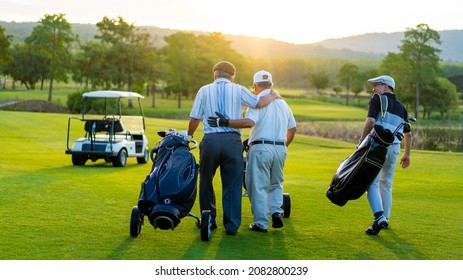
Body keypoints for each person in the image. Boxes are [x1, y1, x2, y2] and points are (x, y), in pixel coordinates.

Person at [188, 61, 279, 236]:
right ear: (232, 76)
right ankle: (231, 226)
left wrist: (189, 137)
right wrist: (273, 95)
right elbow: (259, 103)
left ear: (215, 74)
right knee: (232, 184)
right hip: (232, 142)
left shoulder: (204, 90)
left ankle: (209, 220)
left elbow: (195, 118)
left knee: (206, 180)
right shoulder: (238, 89)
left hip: (211, 141)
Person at [208, 70, 296, 233]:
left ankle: (261, 224)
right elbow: (292, 128)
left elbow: (249, 122)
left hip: (260, 149)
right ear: (271, 84)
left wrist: (225, 122)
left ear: (255, 86)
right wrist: (284, 146)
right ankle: (276, 211)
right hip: (281, 148)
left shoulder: (257, 102)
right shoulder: (283, 103)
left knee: (257, 187)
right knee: (276, 183)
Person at [360, 75, 412, 235]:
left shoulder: (377, 99)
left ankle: (379, 217)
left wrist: (361, 143)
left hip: (377, 147)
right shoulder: (402, 108)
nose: (373, 89)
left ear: (385, 86)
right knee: (386, 183)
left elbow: (370, 122)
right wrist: (407, 154)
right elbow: (408, 134)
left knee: (371, 184)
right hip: (394, 147)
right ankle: (385, 219)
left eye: (376, 86)